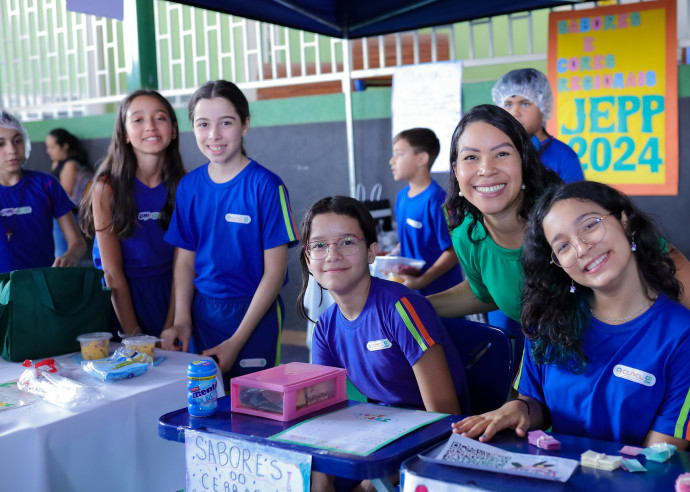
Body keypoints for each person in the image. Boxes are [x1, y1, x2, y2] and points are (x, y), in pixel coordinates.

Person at [428, 104, 690, 394]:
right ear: (456, 170)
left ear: (523, 160)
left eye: (501, 153)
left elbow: (665, 256)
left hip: (635, 367)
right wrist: (407, 302)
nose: (486, 169)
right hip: (561, 376)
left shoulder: (565, 216)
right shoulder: (467, 234)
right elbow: (488, 293)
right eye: (471, 158)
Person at [453, 180, 690, 452]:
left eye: (590, 225)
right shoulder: (547, 322)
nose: (581, 248)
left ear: (625, 222)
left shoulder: (687, 337)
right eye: (563, 246)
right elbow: (537, 403)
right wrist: (518, 408)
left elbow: (660, 456)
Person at [297, 195, 467, 491]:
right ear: (308, 258)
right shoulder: (325, 327)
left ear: (372, 252)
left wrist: (377, 478)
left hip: (431, 441)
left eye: (347, 242)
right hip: (378, 435)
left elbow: (444, 418)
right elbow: (324, 420)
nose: (332, 254)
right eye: (319, 245)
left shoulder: (401, 308)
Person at [161, 80, 299, 383]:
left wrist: (236, 342)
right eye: (203, 124)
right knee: (204, 406)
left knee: (257, 406)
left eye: (226, 122)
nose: (214, 135)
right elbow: (184, 262)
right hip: (203, 315)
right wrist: (182, 320)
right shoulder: (189, 187)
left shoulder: (266, 185)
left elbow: (274, 274)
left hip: (254, 315)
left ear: (245, 125)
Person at [79, 90, 186, 337]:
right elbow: (112, 272)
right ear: (125, 134)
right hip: (122, 300)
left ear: (174, 129)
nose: (150, 126)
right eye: (138, 120)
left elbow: (183, 266)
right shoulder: (106, 188)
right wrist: (134, 334)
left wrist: (172, 326)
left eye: (160, 118)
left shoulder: (185, 186)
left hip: (175, 297)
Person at [0, 110, 86, 273]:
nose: (12, 150)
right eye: (1, 144)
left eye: (17, 141)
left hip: (42, 287)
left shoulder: (46, 185)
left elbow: (77, 241)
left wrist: (71, 255)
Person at [390, 128, 463, 295]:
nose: (391, 161)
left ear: (422, 158)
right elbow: (408, 240)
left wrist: (422, 281)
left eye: (399, 154)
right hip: (411, 291)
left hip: (441, 294)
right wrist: (391, 256)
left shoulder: (438, 199)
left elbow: (454, 251)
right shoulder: (402, 196)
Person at [492, 68, 585, 183]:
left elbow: (575, 200)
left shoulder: (565, 157)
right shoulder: (498, 152)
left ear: (544, 106)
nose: (515, 113)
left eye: (525, 104)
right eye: (508, 105)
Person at [46, 128, 94, 257]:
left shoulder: (70, 165)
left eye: (52, 147)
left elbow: (63, 194)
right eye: (48, 147)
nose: (48, 151)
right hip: (63, 214)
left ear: (65, 146)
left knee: (62, 254)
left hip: (69, 215)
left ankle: (63, 276)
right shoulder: (58, 164)